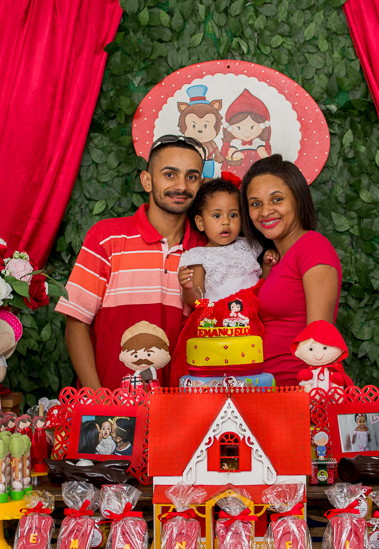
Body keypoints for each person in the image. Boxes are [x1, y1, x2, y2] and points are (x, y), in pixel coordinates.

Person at [56, 135, 208, 388]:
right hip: (114, 409)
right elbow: (76, 322)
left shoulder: (205, 249)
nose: (181, 186)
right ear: (147, 181)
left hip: (183, 410)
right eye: (170, 174)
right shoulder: (107, 237)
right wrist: (98, 399)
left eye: (191, 177)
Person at [241, 155, 342, 386]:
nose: (265, 211)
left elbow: (319, 339)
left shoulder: (312, 246)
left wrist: (312, 398)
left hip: (298, 392)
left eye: (277, 200)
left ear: (298, 200)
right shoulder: (273, 259)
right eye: (255, 203)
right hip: (265, 390)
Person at [170, 175, 277, 385]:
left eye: (233, 215)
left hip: (250, 319)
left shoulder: (249, 245)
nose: (226, 222)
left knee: (251, 370)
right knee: (219, 373)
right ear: (200, 222)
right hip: (218, 323)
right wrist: (188, 286)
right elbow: (196, 301)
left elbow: (261, 285)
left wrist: (267, 262)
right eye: (217, 215)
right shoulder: (198, 255)